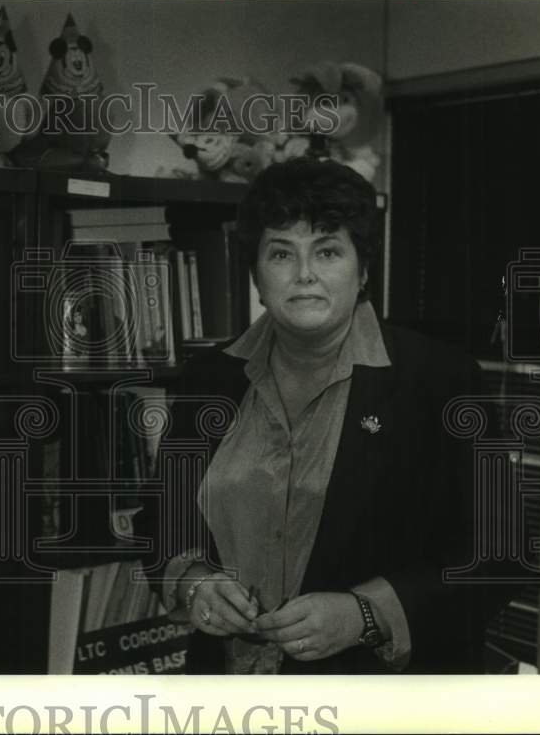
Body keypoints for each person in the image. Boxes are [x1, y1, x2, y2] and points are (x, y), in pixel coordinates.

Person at [137, 156, 512, 673]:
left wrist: (366, 613)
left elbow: (498, 558)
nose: (305, 274)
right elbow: (162, 520)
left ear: (362, 270)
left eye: (328, 250)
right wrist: (192, 579)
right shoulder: (210, 378)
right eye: (281, 253)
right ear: (256, 275)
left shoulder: (443, 381)